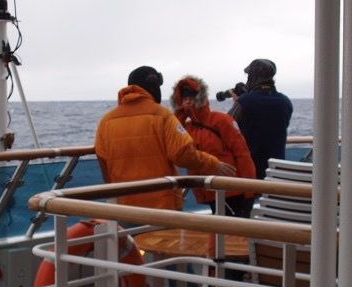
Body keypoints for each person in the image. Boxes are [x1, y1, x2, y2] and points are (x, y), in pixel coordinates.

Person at [94, 65, 235, 209]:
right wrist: (213, 164)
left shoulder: (106, 121)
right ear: (154, 87)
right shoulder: (162, 115)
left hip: (126, 207)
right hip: (163, 207)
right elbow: (182, 154)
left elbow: (104, 163)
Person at [171, 75, 257, 216]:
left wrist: (249, 191)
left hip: (232, 191)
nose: (187, 101)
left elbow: (242, 154)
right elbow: (173, 136)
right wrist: (180, 112)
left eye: (191, 96)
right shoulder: (187, 128)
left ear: (200, 97)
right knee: (218, 228)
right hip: (209, 191)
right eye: (184, 98)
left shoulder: (221, 120)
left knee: (232, 228)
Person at [229, 58, 293, 178]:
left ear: (252, 77)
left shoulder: (244, 102)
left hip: (250, 171)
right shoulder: (285, 101)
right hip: (276, 171)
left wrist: (238, 101)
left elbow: (227, 126)